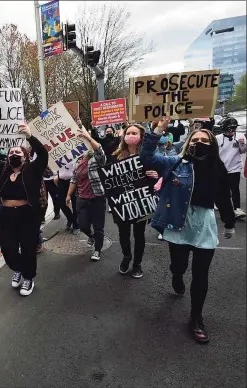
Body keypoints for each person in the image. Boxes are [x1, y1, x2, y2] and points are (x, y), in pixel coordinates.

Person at [140, 116, 235, 344]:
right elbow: (147, 157)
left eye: (204, 139)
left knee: (201, 275)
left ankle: (196, 318)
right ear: (188, 143)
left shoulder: (217, 168)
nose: (199, 142)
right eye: (195, 138)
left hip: (204, 224)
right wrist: (156, 132)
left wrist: (230, 222)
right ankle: (176, 274)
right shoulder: (175, 162)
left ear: (211, 145)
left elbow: (223, 196)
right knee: (179, 265)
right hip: (178, 223)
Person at [0, 124, 48, 296]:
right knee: (7, 248)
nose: (13, 154)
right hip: (7, 215)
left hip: (27, 215)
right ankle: (18, 269)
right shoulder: (4, 170)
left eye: (17, 152)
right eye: (11, 152)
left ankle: (28, 277)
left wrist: (29, 136)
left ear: (25, 156)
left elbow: (43, 154)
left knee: (28, 248)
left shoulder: (32, 170)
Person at [110, 124, 159, 279]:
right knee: (123, 233)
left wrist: (156, 176)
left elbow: (161, 172)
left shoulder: (148, 155)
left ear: (141, 136)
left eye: (134, 132)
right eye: (128, 132)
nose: (130, 135)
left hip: (141, 201)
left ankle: (137, 264)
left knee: (139, 234)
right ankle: (126, 257)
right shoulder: (117, 154)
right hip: (123, 202)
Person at [66, 123, 107, 261]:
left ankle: (97, 250)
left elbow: (100, 151)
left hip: (97, 198)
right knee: (82, 225)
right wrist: (68, 195)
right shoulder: (77, 161)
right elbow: (73, 179)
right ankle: (92, 237)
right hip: (81, 198)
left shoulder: (95, 159)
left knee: (98, 226)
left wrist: (88, 138)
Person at [215, 117, 247, 218]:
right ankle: (222, 206)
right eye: (230, 128)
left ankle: (236, 208)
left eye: (234, 128)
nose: (232, 131)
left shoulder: (240, 136)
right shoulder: (218, 138)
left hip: (235, 167)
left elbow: (243, 151)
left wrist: (241, 144)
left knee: (235, 189)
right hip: (222, 168)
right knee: (223, 190)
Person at [55, 160, 79, 234]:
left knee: (75, 203)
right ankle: (70, 218)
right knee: (61, 202)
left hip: (73, 181)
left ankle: (76, 225)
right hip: (61, 181)